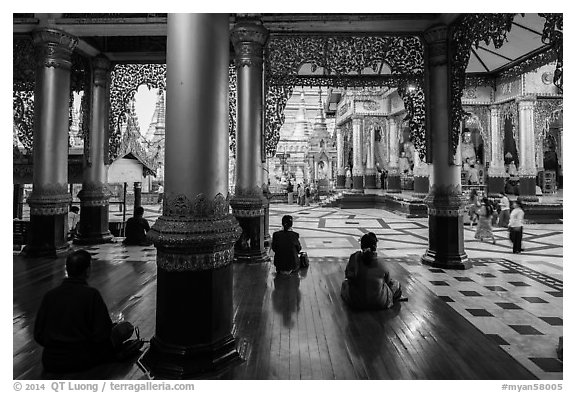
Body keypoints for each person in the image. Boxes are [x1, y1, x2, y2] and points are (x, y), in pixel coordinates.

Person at [34, 250, 134, 373]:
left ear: (67, 269)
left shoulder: (50, 296)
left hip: (51, 360)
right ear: (87, 271)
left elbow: (38, 334)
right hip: (82, 359)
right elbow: (102, 334)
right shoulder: (91, 295)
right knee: (125, 328)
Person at [341, 232, 403, 310]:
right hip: (380, 303)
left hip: (356, 302)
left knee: (344, 284)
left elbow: (348, 276)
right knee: (396, 284)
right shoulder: (381, 263)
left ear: (361, 246)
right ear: (375, 246)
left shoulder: (354, 258)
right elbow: (388, 281)